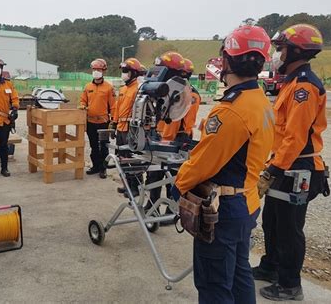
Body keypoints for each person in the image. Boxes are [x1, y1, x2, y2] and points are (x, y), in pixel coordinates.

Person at [175, 25, 274, 303]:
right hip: (248, 201)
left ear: (228, 60)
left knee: (214, 284)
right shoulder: (261, 101)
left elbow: (204, 162)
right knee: (240, 273)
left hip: (224, 209)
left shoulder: (232, 109)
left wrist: (178, 185)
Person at [253, 24, 330, 301]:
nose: (276, 54)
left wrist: (272, 171)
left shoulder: (304, 87)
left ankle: (289, 284)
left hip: (299, 169)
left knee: (289, 228)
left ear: (296, 50)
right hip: (286, 165)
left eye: (281, 48)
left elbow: (296, 138)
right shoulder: (292, 81)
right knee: (271, 221)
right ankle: (270, 267)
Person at [146, 56, 202, 225]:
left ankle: (172, 209)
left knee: (174, 177)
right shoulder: (163, 91)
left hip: (177, 139)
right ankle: (152, 205)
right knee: (154, 174)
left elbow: (179, 119)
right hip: (159, 135)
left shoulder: (189, 95)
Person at [110, 58, 145, 196]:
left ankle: (136, 187)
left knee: (133, 160)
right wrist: (114, 124)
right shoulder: (123, 89)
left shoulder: (138, 89)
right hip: (121, 128)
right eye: (123, 71)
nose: (123, 74)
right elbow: (118, 108)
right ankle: (127, 186)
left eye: (126, 71)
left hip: (132, 129)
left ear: (134, 73)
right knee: (122, 159)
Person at [79, 58, 116, 179]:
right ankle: (95, 166)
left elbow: (113, 106)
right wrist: (83, 106)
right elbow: (83, 100)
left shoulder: (109, 88)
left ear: (103, 71)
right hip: (90, 122)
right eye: (94, 69)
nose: (96, 71)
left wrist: (113, 122)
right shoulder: (87, 86)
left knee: (104, 146)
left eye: (98, 69)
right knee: (94, 146)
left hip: (103, 122)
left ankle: (103, 169)